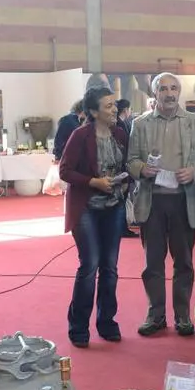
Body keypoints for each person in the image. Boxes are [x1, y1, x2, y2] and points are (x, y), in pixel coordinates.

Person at [128, 73, 195, 337]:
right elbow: (130, 161)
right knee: (152, 263)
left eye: (173, 88)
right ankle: (155, 315)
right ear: (154, 94)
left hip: (183, 201)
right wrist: (143, 169)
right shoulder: (140, 124)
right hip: (152, 201)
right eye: (163, 88)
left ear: (179, 92)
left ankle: (182, 316)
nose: (169, 93)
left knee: (184, 262)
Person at [58, 87, 129, 347]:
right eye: (109, 106)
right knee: (89, 266)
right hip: (86, 207)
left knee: (110, 268)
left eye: (115, 105)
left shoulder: (120, 133)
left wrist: (124, 181)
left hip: (114, 207)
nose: (114, 110)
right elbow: (65, 171)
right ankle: (78, 327)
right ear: (93, 111)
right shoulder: (79, 136)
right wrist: (94, 182)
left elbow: (125, 167)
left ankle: (107, 322)